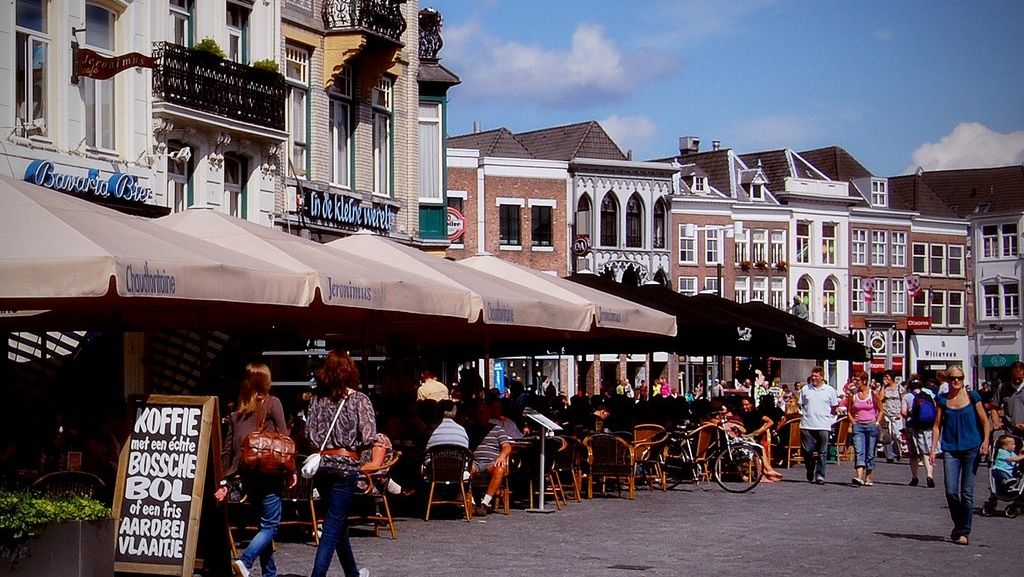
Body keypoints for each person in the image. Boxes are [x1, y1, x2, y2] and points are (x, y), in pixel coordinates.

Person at [216, 363, 296, 577]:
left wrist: (225, 480)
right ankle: (245, 560)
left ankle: (270, 573)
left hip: (247, 473)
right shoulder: (272, 403)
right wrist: (292, 470)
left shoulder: (237, 412)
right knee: (271, 526)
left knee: (263, 524)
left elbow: (227, 451)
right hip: (269, 472)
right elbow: (284, 439)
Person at [306, 350, 376, 577]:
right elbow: (368, 436)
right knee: (333, 523)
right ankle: (317, 574)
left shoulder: (316, 399)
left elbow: (309, 434)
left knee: (338, 521)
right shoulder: (359, 400)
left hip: (323, 465)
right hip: (346, 466)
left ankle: (352, 573)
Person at [929, 365, 991, 546]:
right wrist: (933, 449)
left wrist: (986, 441)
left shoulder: (973, 397)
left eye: (960, 378)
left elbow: (985, 421)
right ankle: (959, 523)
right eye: (953, 378)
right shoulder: (942, 400)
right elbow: (936, 425)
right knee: (950, 491)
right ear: (947, 380)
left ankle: (964, 531)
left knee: (967, 493)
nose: (956, 381)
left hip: (972, 447)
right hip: (950, 448)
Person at [799, 366, 838, 484]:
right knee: (807, 451)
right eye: (813, 376)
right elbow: (801, 404)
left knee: (822, 452)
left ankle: (820, 475)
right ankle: (810, 469)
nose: (814, 378)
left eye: (816, 376)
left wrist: (827, 417)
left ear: (822, 377)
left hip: (823, 425)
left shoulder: (830, 390)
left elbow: (834, 406)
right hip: (807, 424)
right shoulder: (806, 389)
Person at [845, 371, 882, 486]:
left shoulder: (873, 393)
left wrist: (877, 422)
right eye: (854, 380)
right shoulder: (853, 394)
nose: (855, 382)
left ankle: (869, 476)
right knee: (859, 451)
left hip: (871, 424)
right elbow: (849, 411)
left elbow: (881, 410)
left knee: (870, 452)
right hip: (859, 426)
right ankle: (859, 476)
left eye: (858, 380)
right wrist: (853, 422)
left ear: (864, 381)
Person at [736, 397, 783, 481]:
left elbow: (770, 422)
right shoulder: (741, 414)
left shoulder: (756, 413)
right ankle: (767, 471)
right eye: (743, 405)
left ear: (751, 405)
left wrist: (759, 431)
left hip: (754, 437)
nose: (744, 407)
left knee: (758, 447)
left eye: (746, 405)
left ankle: (767, 471)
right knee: (758, 448)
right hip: (747, 438)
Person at [901, 378, 936, 488]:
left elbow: (903, 412)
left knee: (913, 454)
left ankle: (915, 477)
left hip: (913, 427)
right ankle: (929, 475)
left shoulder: (907, 397)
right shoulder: (928, 395)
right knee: (926, 452)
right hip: (927, 426)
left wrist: (909, 417)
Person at [879, 372, 904, 463]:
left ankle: (899, 453)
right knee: (887, 436)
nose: (885, 379)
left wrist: (901, 412)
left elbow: (903, 399)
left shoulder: (899, 387)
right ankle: (889, 455)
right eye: (884, 377)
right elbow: (880, 399)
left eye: (887, 377)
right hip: (886, 414)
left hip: (896, 414)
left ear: (892, 378)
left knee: (896, 434)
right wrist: (883, 386)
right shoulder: (885, 388)